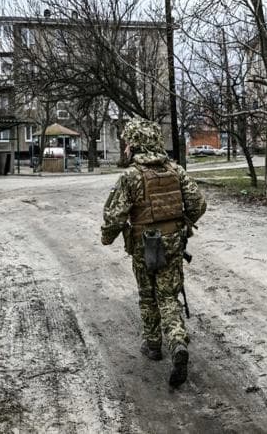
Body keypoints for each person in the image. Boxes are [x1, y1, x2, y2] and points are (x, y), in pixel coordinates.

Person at [101, 117, 206, 387]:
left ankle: (153, 345)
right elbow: (198, 204)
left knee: (148, 296)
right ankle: (178, 342)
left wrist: (107, 237)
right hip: (172, 242)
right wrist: (182, 222)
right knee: (169, 296)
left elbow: (114, 216)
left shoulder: (131, 176)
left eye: (127, 142)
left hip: (143, 244)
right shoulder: (176, 170)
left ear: (136, 144)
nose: (125, 147)